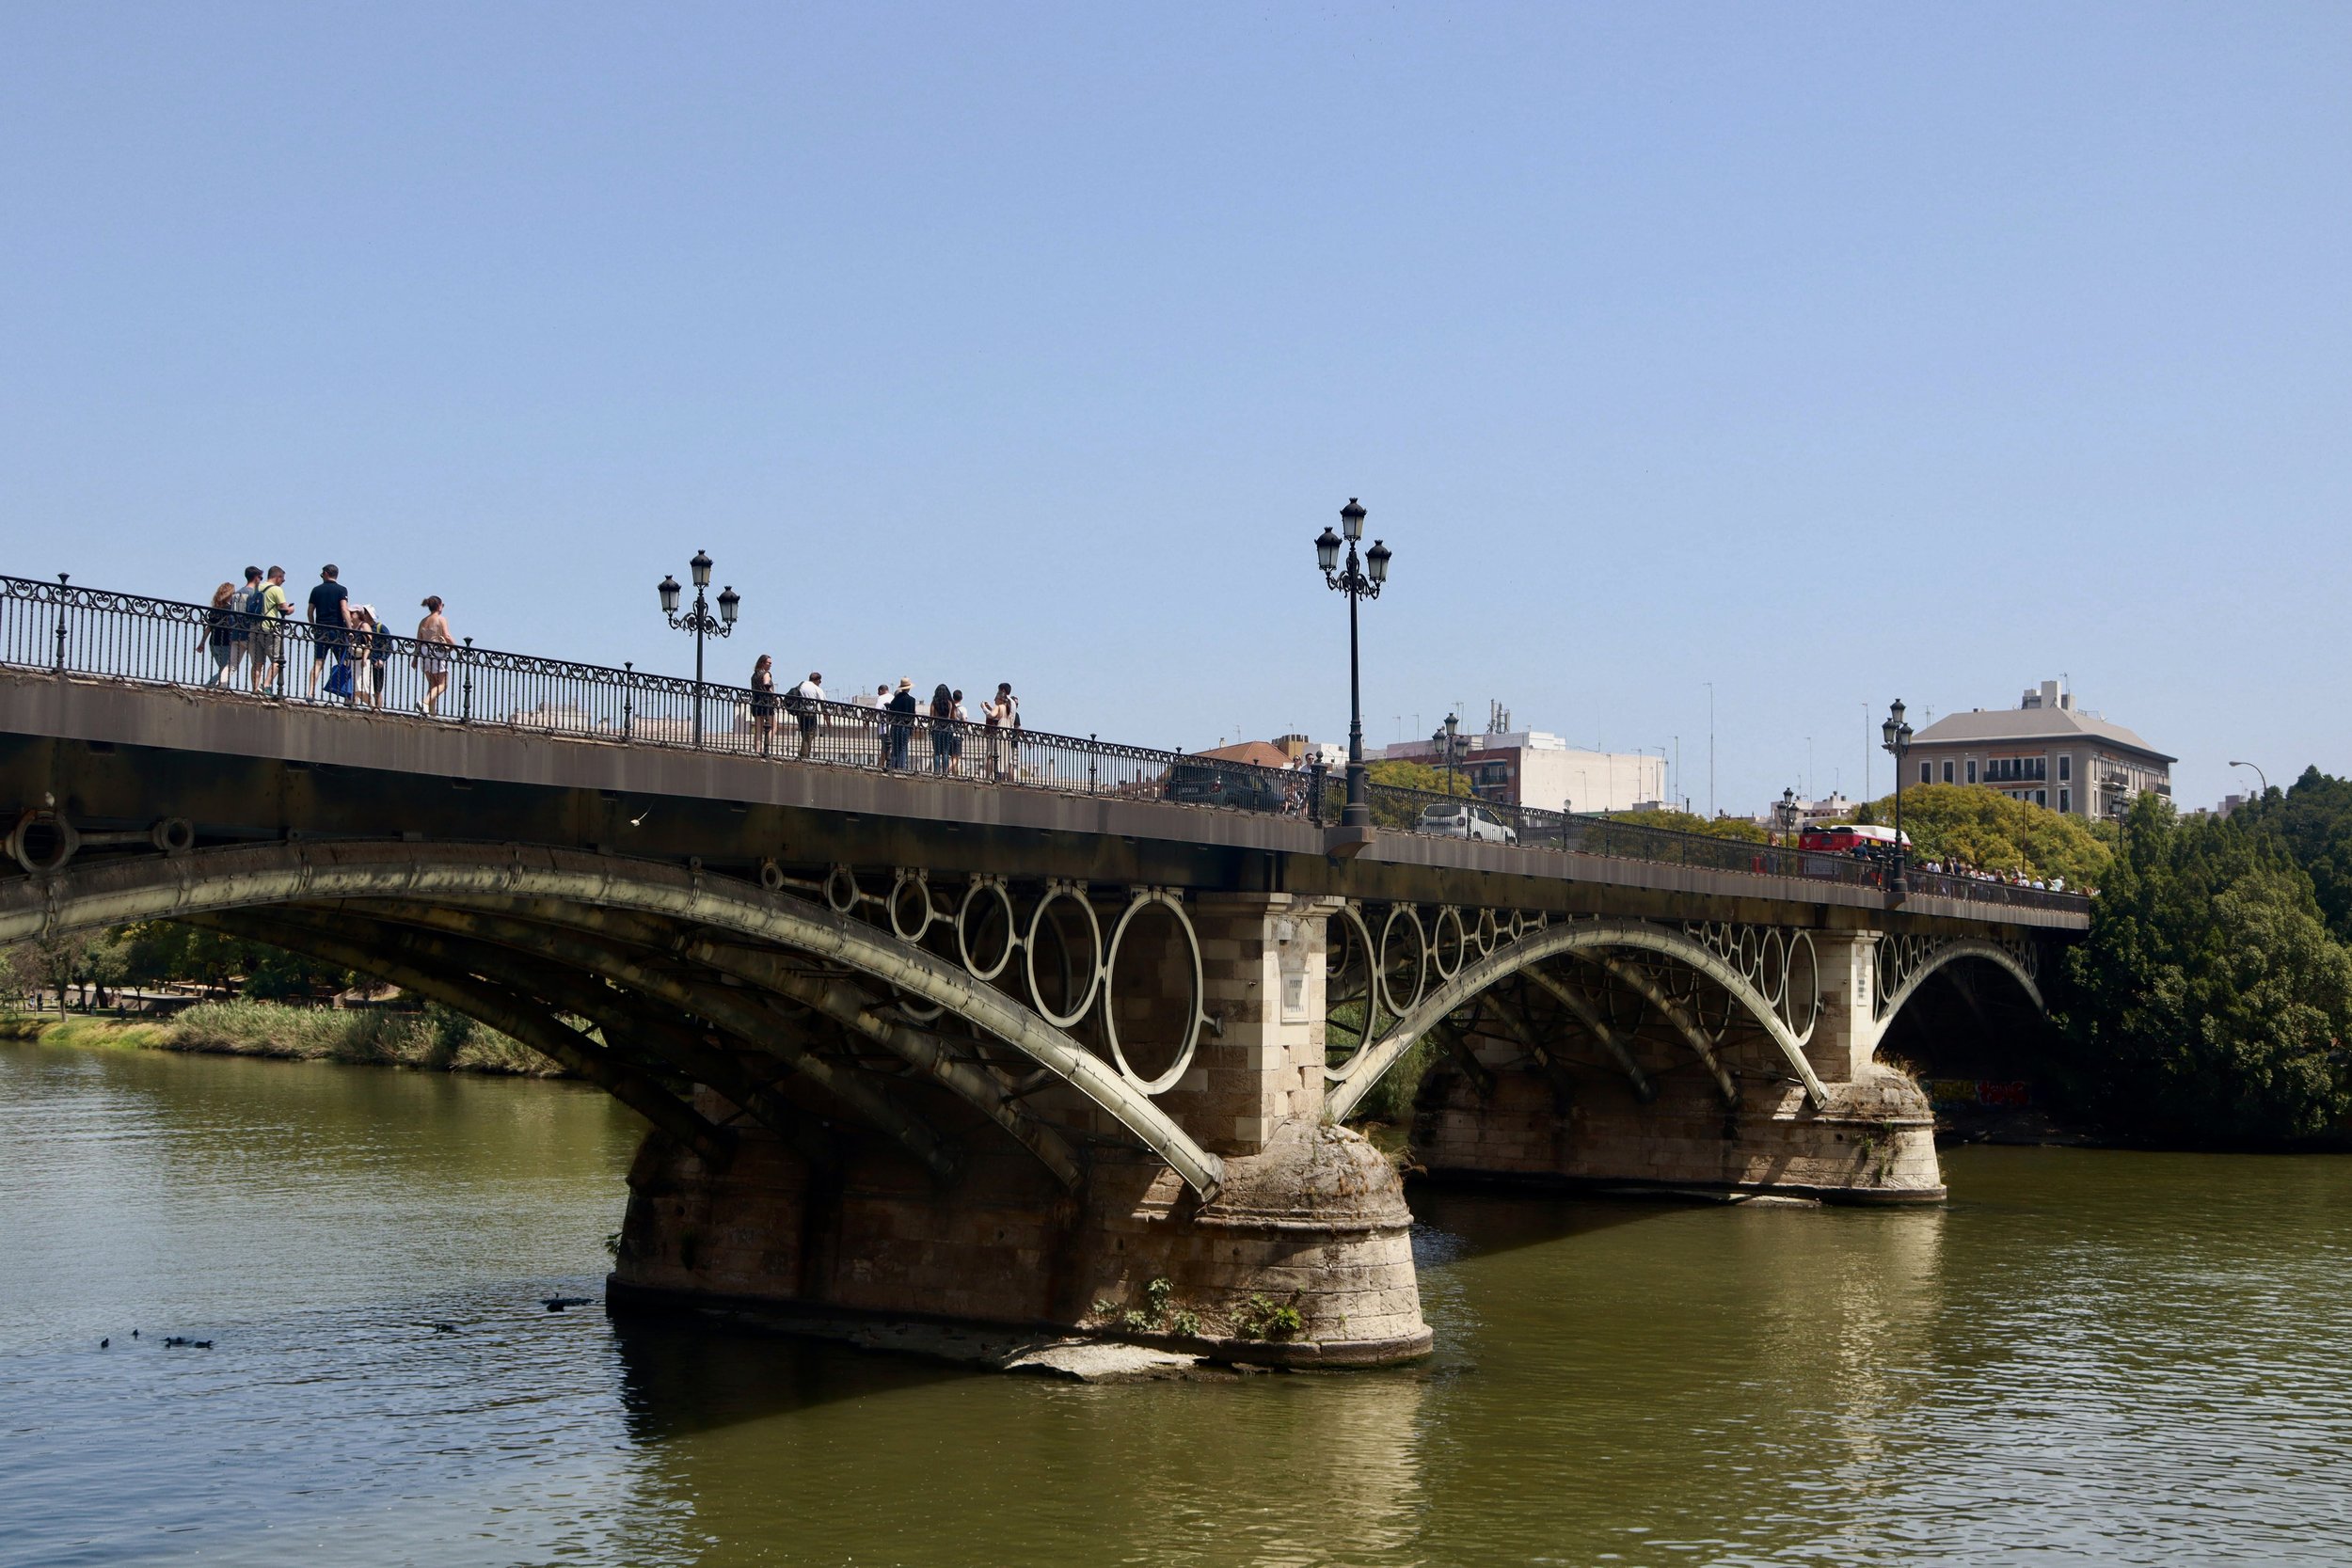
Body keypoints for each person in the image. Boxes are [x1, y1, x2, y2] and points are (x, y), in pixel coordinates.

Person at [306, 565, 351, 700]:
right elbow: (344, 609)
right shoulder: (342, 590)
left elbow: (310, 611)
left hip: (321, 631)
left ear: (325, 574)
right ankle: (349, 697)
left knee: (318, 662)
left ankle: (310, 692)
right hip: (338, 631)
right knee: (345, 663)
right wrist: (349, 629)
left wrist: (313, 625)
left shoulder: (316, 590)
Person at [250, 566, 292, 692]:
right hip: (270, 628)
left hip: (254, 628)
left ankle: (255, 688)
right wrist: (291, 609)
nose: (283, 581)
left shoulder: (258, 587)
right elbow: (284, 609)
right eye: (283, 579)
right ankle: (266, 685)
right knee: (278, 660)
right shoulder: (276, 590)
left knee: (257, 662)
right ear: (278, 577)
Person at [414, 596, 454, 715]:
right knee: (443, 684)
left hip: (424, 653)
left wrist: (415, 658)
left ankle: (430, 712)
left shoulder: (423, 621)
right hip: (436, 653)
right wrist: (457, 648)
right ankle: (425, 702)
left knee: (433, 685)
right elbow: (447, 636)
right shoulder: (441, 619)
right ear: (440, 606)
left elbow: (418, 641)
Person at [197, 582, 240, 685]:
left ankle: (221, 687)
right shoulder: (230, 610)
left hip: (213, 643)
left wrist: (202, 643)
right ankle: (210, 685)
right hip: (224, 643)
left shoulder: (214, 609)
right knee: (226, 669)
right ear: (230, 594)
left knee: (224, 669)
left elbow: (209, 628)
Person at [983, 682, 1019, 781]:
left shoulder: (1000, 706)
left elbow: (992, 715)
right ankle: (1002, 778)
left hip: (999, 732)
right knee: (1005, 758)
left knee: (993, 755)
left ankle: (990, 777)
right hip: (1007, 733)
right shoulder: (1009, 704)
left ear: (1002, 691)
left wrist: (984, 708)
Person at [359, 607, 392, 710]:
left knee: (377, 690)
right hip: (365, 662)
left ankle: (377, 710)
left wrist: (382, 659)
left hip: (376, 662)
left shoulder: (380, 627)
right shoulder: (362, 627)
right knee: (361, 686)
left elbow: (389, 645)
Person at [886, 678, 919, 770]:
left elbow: (891, 712)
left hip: (895, 726)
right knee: (903, 748)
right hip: (906, 726)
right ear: (909, 688)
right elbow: (912, 715)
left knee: (895, 747)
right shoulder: (912, 700)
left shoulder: (896, 699)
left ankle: (892, 766)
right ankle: (901, 767)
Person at [791, 671, 824, 758]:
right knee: (809, 735)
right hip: (810, 714)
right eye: (820, 681)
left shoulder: (802, 684)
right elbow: (824, 705)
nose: (820, 683)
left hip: (800, 713)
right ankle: (804, 756)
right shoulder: (817, 689)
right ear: (817, 680)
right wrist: (827, 720)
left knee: (804, 734)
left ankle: (805, 754)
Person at [749, 655, 778, 754]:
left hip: (756, 702)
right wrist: (774, 696)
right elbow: (766, 684)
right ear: (762, 663)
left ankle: (757, 749)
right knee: (773, 726)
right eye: (768, 663)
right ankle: (765, 746)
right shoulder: (766, 674)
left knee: (758, 729)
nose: (770, 665)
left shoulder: (754, 675)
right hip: (766, 703)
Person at [928, 683, 957, 774]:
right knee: (945, 752)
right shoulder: (950, 703)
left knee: (936, 752)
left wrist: (929, 727)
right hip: (947, 729)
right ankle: (945, 772)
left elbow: (931, 716)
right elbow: (953, 717)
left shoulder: (934, 702)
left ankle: (936, 771)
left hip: (937, 728)